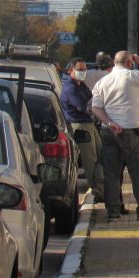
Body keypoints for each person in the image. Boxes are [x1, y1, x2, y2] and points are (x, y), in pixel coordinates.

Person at [91, 51, 139, 221]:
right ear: (130, 63)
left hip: (108, 132)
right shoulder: (133, 76)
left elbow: (96, 108)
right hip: (131, 131)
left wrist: (109, 123)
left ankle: (114, 211)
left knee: (112, 174)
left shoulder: (102, 82)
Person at [60, 57, 104, 202]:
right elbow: (84, 107)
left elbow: (92, 99)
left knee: (100, 155)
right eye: (80, 70)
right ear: (70, 70)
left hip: (89, 125)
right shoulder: (70, 88)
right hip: (80, 127)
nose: (83, 72)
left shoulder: (81, 85)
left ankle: (101, 187)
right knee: (90, 160)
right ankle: (97, 190)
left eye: (85, 69)